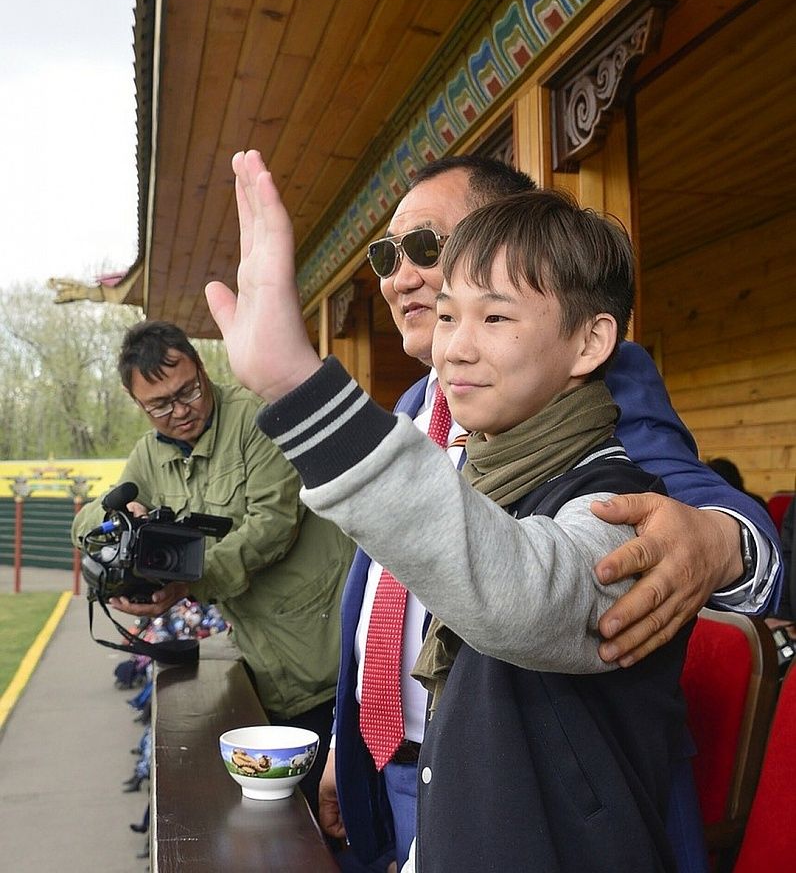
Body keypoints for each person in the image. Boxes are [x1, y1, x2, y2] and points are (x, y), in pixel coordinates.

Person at [205, 154, 703, 870]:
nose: (455, 347)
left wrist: (300, 385)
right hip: (427, 782)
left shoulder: (622, 504)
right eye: (448, 317)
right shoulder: (422, 418)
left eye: (494, 314)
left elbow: (517, 586)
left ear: (589, 342)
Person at [318, 155, 781, 870]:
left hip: (544, 801)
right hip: (398, 770)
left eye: (425, 247)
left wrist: (723, 541)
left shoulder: (598, 382)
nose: (399, 274)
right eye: (387, 254)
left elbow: (682, 502)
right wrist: (350, 745)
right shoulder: (411, 409)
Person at [72, 320, 354, 816]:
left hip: (330, 656)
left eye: (189, 391)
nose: (180, 412)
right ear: (136, 402)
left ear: (203, 368)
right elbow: (86, 524)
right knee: (294, 818)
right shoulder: (148, 456)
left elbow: (272, 527)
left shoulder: (258, 419)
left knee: (350, 817)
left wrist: (183, 583)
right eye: (160, 405)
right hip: (264, 668)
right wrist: (119, 520)